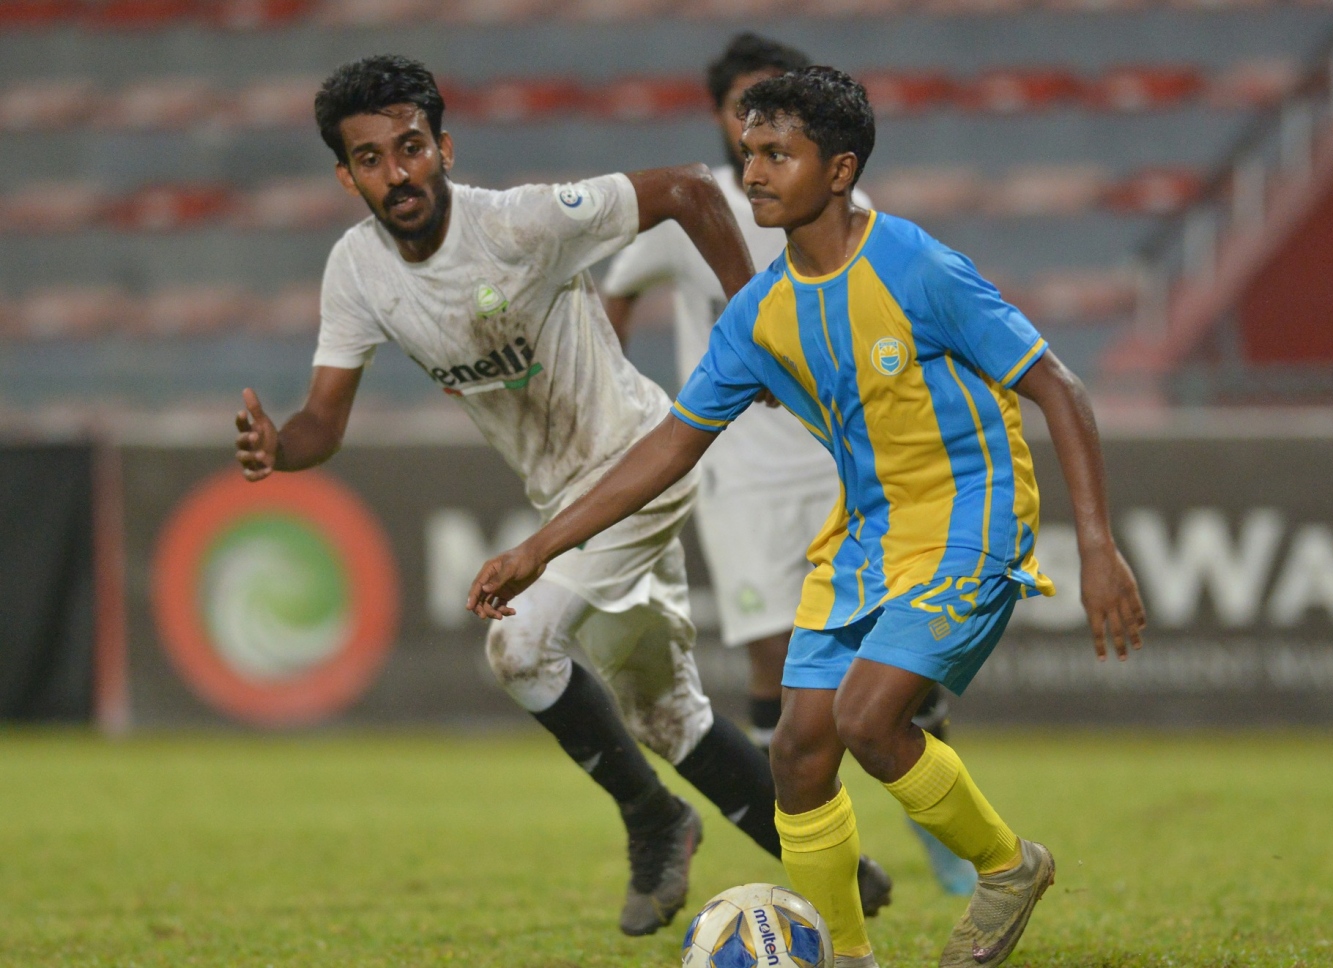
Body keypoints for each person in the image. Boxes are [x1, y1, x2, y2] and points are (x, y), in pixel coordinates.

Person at [467, 67, 1147, 968]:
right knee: (796, 753)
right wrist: (540, 550)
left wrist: (1097, 546)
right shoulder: (758, 315)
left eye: (777, 154)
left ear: (839, 170)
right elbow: (667, 448)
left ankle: (1006, 866)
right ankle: (847, 957)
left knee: (868, 720)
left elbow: (1058, 388)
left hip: (970, 514)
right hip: (868, 529)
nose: (752, 173)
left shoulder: (917, 267)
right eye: (748, 152)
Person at [230, 54, 889, 939]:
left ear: (444, 148)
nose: (398, 173)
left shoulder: (520, 223)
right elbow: (323, 421)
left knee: (519, 645)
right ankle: (839, 868)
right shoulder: (356, 271)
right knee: (667, 717)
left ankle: (654, 820)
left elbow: (691, 189)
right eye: (372, 159)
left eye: (412, 147)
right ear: (347, 176)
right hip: (564, 496)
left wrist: (750, 324)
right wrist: (279, 448)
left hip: (641, 463)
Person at [600, 32, 976, 897]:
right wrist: (623, 392)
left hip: (838, 467)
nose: (759, 124)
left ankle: (939, 824)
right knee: (773, 660)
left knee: (893, 656)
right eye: (746, 107)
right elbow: (617, 291)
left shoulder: (841, 206)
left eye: (777, 105)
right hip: (737, 477)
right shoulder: (696, 209)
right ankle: (814, 847)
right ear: (720, 115)